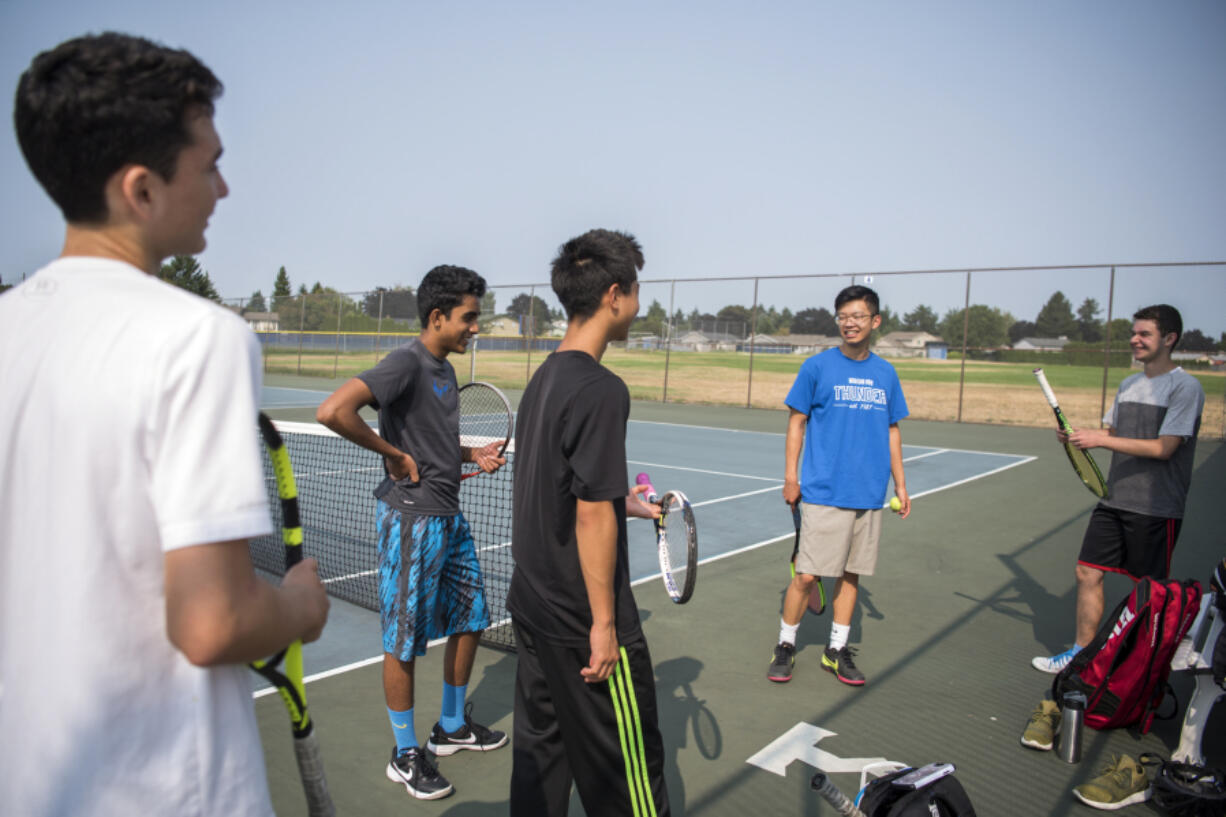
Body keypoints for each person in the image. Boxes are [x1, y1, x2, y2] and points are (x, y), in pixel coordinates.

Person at [0, 32, 331, 816]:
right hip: (168, 790)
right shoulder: (199, 338)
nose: (224, 188)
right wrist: (298, 606)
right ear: (141, 189)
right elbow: (212, 621)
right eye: (210, 163)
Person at [315, 265, 507, 800]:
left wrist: (472, 453)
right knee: (403, 639)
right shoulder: (406, 363)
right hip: (411, 521)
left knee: (472, 617)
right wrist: (393, 456)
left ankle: (449, 726)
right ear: (437, 316)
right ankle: (404, 754)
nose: (475, 327)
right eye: (469, 318)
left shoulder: (444, 369)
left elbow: (432, 439)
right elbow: (333, 411)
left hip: (449, 515)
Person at [506, 229, 671, 817]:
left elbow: (566, 486)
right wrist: (604, 624)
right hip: (580, 618)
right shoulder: (602, 389)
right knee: (627, 782)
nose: (638, 304)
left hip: (531, 600)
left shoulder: (545, 375)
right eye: (635, 290)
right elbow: (589, 515)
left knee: (541, 762)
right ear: (614, 295)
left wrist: (621, 501)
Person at [1032, 304, 1205, 673]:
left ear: (1169, 339)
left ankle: (1145, 665)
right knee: (1087, 572)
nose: (1135, 339)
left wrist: (1101, 439)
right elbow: (1112, 433)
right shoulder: (1129, 385)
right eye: (1134, 332)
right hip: (1114, 499)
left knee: (1150, 592)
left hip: (1156, 506)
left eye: (1144, 334)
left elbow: (1164, 448)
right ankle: (1081, 655)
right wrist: (1080, 436)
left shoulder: (1186, 387)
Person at [769, 285, 910, 686]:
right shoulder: (816, 368)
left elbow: (892, 429)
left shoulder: (886, 373)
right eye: (844, 316)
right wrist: (791, 477)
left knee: (851, 576)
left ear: (875, 321)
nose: (850, 323)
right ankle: (785, 644)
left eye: (859, 316)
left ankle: (836, 650)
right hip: (823, 491)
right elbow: (796, 423)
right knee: (807, 577)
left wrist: (901, 485)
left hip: (869, 493)